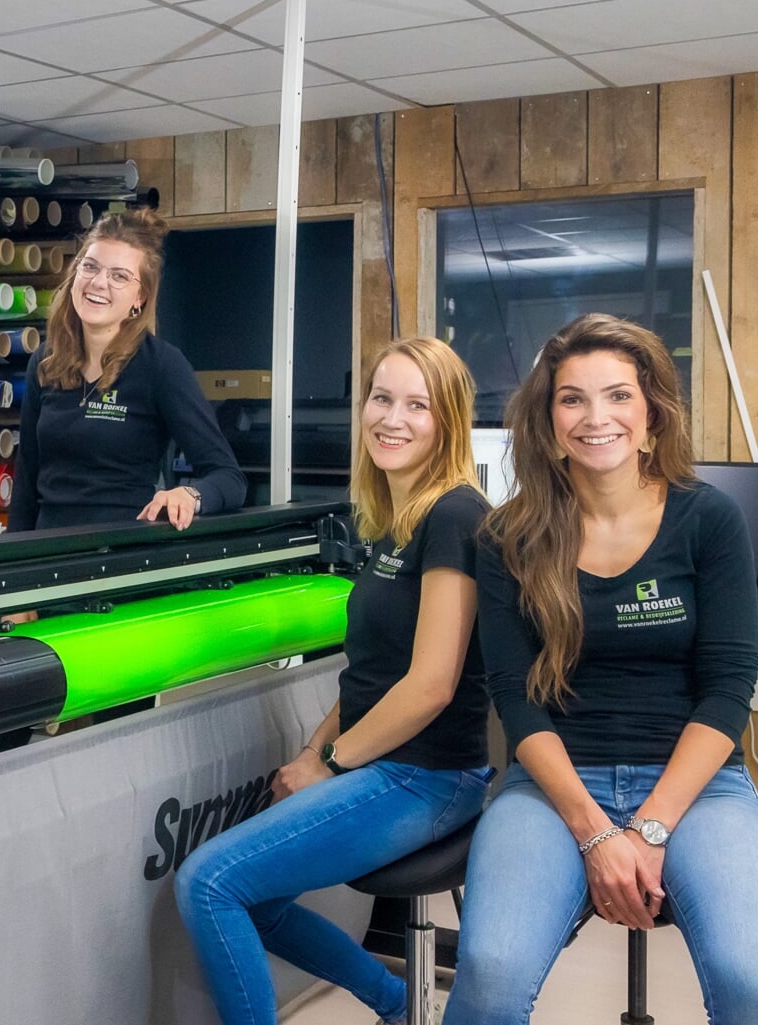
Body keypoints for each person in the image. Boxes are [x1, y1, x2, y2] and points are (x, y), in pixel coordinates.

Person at [448, 314, 758, 1024]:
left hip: (699, 788)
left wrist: (649, 827)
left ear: (651, 414)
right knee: (489, 976)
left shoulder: (710, 521)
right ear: (549, 422)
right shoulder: (508, 536)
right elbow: (516, 699)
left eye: (617, 396)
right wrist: (595, 829)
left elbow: (730, 688)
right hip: (554, 788)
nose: (594, 416)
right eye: (572, 398)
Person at [172, 337, 493, 1025]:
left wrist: (332, 764)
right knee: (251, 896)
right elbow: (371, 675)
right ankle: (399, 1006)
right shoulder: (392, 520)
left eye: (418, 405)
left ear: (449, 422)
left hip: (429, 776)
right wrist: (316, 752)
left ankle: (395, 1006)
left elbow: (431, 684)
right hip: (385, 764)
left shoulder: (456, 515)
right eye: (382, 398)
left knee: (208, 883)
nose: (393, 418)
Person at [8, 208, 244, 532]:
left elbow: (229, 478)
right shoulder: (46, 362)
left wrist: (190, 494)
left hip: (121, 558)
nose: (98, 282)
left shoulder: (161, 365)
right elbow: (26, 480)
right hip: (49, 557)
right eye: (90, 267)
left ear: (140, 297)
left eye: (119, 276)